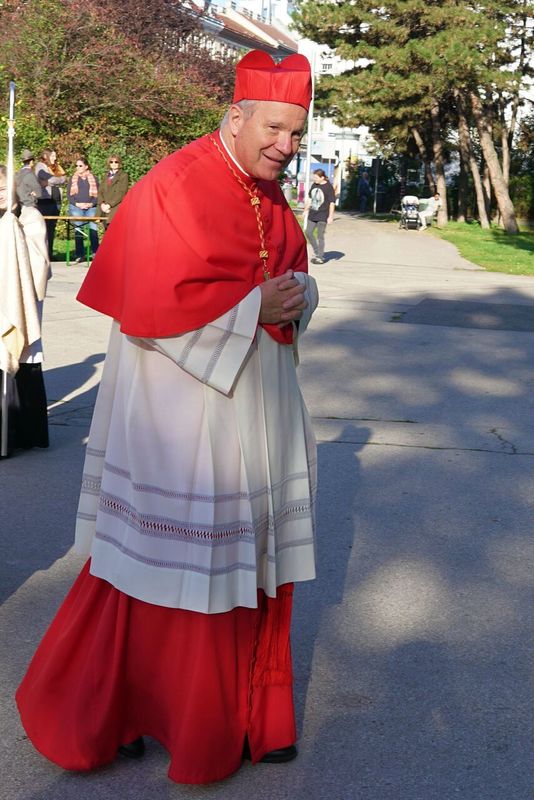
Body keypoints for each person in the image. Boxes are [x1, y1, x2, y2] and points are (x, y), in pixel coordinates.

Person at [16, 50, 319, 785]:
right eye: (275, 129)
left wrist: (298, 297)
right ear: (237, 116)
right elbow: (153, 311)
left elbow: (288, 270)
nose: (287, 146)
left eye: (297, 133)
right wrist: (253, 308)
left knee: (246, 567)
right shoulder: (173, 187)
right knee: (165, 571)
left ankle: (248, 714)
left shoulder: (266, 189)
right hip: (182, 417)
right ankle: (120, 712)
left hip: (253, 410)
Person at [34, 148, 66, 260]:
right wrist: (53, 180)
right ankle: (43, 254)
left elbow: (63, 178)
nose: (55, 158)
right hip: (45, 201)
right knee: (44, 228)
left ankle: (50, 253)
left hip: (56, 200)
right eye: (52, 156)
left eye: (55, 156)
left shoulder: (57, 167)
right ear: (46, 156)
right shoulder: (40, 166)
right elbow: (51, 178)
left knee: (52, 228)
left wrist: (48, 182)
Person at [67, 154, 99, 263]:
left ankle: (95, 253)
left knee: (93, 229)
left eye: (80, 166)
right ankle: (80, 255)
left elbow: (98, 195)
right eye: (76, 166)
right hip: (77, 207)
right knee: (78, 229)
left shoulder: (93, 178)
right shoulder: (73, 179)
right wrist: (77, 204)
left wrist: (91, 204)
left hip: (91, 207)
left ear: (86, 166)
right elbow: (69, 196)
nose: (78, 168)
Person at [304, 168, 335, 264]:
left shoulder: (328, 187)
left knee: (320, 236)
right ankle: (317, 251)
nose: (315, 179)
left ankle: (320, 257)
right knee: (308, 232)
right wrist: (306, 209)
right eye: (314, 177)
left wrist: (330, 216)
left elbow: (332, 203)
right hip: (312, 213)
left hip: (323, 214)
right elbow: (310, 198)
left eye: (316, 177)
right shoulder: (314, 185)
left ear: (322, 177)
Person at [97, 155, 129, 229]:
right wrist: (102, 204)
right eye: (111, 162)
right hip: (104, 207)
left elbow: (122, 192)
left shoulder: (123, 175)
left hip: (115, 206)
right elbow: (100, 191)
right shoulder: (106, 175)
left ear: (119, 163)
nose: (114, 163)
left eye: (116, 162)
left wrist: (109, 205)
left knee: (114, 229)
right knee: (105, 229)